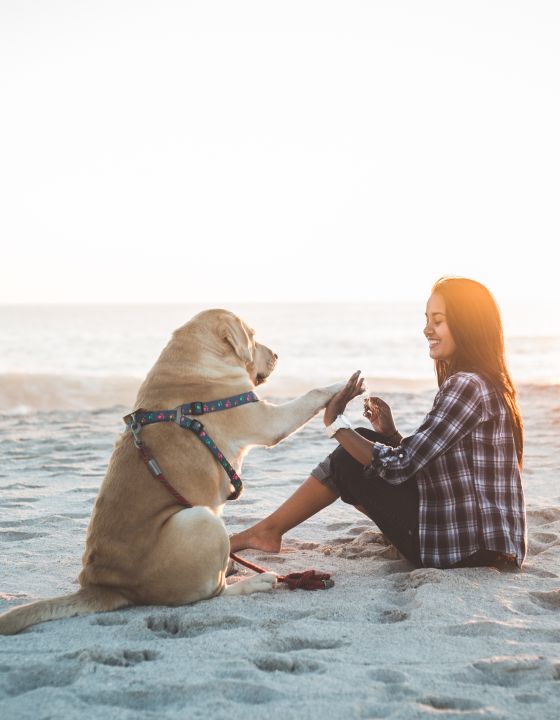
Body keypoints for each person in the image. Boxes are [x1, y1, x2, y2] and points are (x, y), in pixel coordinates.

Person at [230, 277, 527, 569]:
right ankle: (269, 530)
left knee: (350, 456)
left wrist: (336, 424)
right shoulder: (487, 384)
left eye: (438, 320)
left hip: (461, 548)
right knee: (371, 444)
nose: (427, 330)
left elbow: (403, 466)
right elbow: (443, 465)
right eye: (426, 319)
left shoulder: (466, 385)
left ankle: (268, 531)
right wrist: (392, 435)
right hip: (490, 544)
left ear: (468, 325)